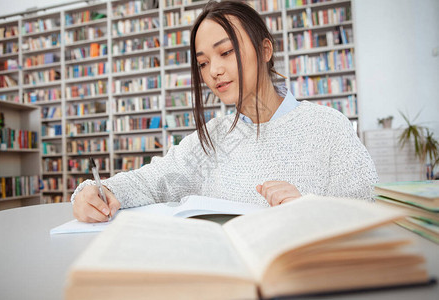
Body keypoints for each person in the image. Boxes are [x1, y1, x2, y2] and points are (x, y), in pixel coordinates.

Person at [72, 0, 378, 223]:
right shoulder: (212, 138)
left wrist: (309, 209)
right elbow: (152, 181)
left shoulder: (328, 127)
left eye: (226, 52)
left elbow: (368, 210)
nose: (214, 71)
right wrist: (96, 190)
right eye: (203, 63)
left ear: (265, 50)